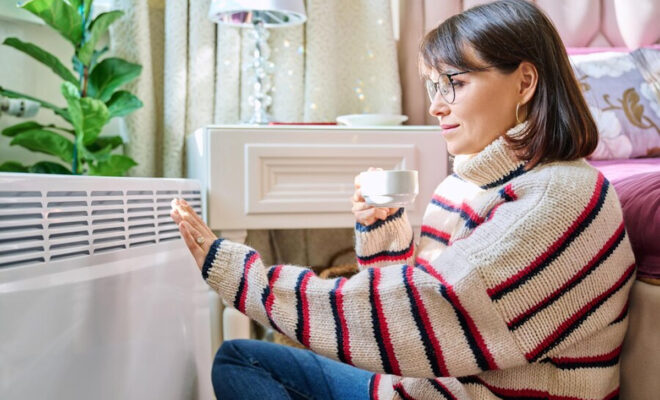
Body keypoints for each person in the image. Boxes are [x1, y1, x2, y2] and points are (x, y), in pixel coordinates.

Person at [171, 0, 635, 398]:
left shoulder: (561, 200)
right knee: (239, 359)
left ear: (525, 82)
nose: (436, 105)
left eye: (454, 81)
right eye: (434, 85)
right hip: (423, 387)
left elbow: (428, 308)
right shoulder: (465, 184)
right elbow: (417, 333)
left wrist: (247, 279)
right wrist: (386, 239)